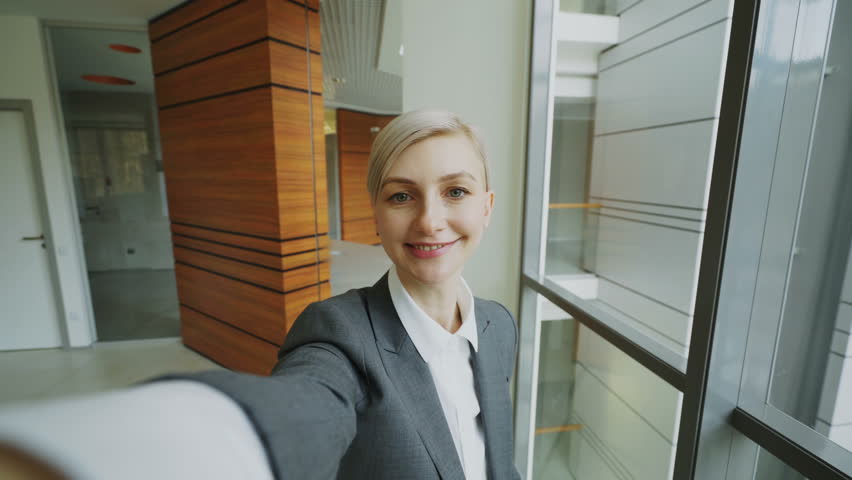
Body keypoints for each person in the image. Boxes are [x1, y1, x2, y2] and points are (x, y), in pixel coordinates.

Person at [0, 109, 521, 480]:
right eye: (402, 195)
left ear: (487, 207)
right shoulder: (338, 333)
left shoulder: (499, 326)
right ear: (377, 215)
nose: (430, 220)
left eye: (456, 191)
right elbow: (294, 412)